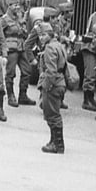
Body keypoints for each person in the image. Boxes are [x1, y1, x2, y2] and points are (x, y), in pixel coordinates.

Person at [36, 22, 68, 154]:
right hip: (60, 83)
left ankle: (58, 144)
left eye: (43, 35)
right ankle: (54, 140)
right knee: (53, 114)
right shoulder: (59, 45)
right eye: (40, 35)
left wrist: (46, 86)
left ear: (49, 35)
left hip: (53, 85)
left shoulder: (49, 48)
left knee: (52, 115)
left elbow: (51, 71)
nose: (41, 38)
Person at [0, 0, 34, 107]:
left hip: (21, 47)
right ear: (9, 6)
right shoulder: (4, 20)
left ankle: (23, 95)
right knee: (10, 73)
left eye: (18, 5)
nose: (17, 7)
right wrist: (2, 51)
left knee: (27, 71)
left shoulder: (20, 17)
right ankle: (10, 96)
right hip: (11, 50)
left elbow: (25, 32)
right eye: (14, 5)